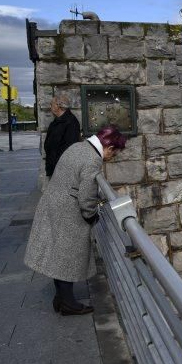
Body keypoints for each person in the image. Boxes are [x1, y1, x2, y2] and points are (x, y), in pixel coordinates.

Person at [24, 125, 126, 315]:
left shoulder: (77, 147)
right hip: (67, 212)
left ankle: (62, 299)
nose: (113, 158)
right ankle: (68, 303)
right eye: (115, 154)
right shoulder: (93, 159)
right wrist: (91, 215)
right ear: (109, 147)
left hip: (54, 204)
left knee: (59, 255)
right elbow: (87, 196)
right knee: (68, 258)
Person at [44, 94, 81, 177]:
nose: (50, 107)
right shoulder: (55, 122)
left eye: (51, 104)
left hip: (63, 171)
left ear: (58, 105)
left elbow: (70, 148)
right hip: (53, 168)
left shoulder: (71, 122)